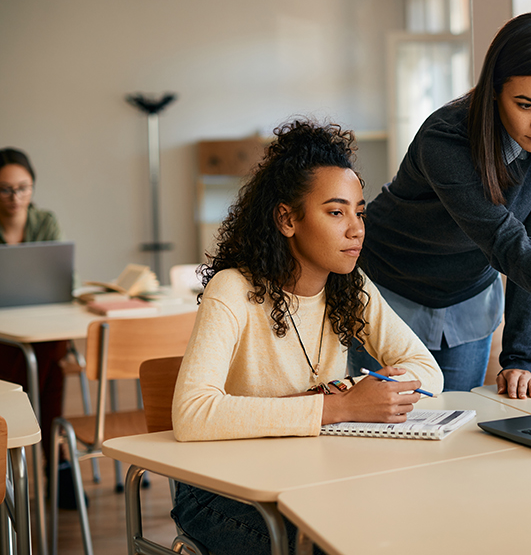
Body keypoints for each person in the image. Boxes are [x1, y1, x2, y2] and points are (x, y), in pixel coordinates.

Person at [170, 119, 444, 555]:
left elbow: (427, 371)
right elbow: (192, 414)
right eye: (336, 212)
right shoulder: (233, 289)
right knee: (336, 544)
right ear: (287, 219)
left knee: (413, 521)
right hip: (222, 490)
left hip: (310, 477)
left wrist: (355, 393)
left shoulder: (351, 286)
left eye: (359, 212)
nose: (356, 229)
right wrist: (341, 406)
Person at [351, 12, 531, 398]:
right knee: (385, 427)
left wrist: (520, 358)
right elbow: (506, 243)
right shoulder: (445, 139)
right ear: (494, 90)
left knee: (456, 427)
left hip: (468, 297)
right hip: (389, 289)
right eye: (526, 105)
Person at [0, 147, 69, 496]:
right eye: (6, 189)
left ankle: (12, 451)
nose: (15, 197)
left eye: (23, 188)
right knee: (51, 362)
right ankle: (57, 461)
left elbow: (60, 278)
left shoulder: (45, 221)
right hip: (4, 331)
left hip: (40, 323)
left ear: (33, 187)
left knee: (47, 348)